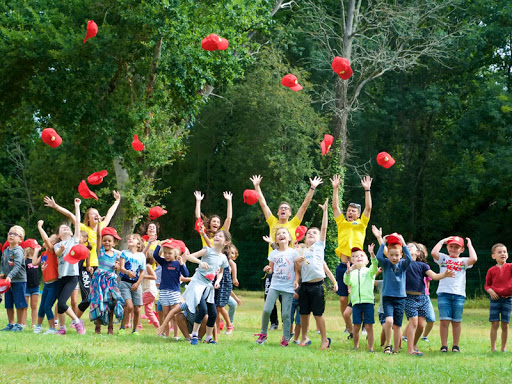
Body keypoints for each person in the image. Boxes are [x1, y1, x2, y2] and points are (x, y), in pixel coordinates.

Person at [250, 174, 322, 330]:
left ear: (290, 213)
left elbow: (304, 205)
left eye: (286, 209)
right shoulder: (272, 221)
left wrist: (312, 188)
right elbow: (263, 203)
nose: (283, 209)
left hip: (288, 267)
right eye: (281, 208)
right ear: (277, 212)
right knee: (269, 296)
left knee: (285, 298)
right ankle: (273, 323)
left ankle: (286, 324)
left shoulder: (294, 223)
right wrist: (257, 186)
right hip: (274, 265)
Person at [43, 191, 121, 319]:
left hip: (97, 267)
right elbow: (70, 215)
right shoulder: (83, 228)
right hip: (84, 266)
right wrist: (55, 206)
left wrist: (117, 201)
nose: (96, 215)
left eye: (97, 213)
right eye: (93, 213)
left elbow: (110, 214)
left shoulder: (101, 228)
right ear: (88, 218)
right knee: (86, 298)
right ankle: (76, 321)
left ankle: (82, 321)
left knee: (94, 297)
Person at [157, 229, 230, 345]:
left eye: (220, 236)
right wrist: (200, 262)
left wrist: (218, 281)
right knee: (203, 309)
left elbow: (221, 272)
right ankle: (194, 336)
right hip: (197, 284)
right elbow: (189, 256)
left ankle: (208, 338)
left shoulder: (223, 258)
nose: (216, 237)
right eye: (216, 235)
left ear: (226, 242)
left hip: (208, 287)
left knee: (214, 314)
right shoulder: (207, 250)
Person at [331, 174, 373, 337]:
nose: (349, 212)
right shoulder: (342, 222)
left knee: (358, 298)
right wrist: (335, 188)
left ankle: (361, 325)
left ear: (358, 214)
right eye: (348, 210)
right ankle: (349, 328)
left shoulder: (362, 223)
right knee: (343, 299)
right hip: (343, 267)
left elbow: (368, 208)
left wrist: (367, 190)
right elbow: (335, 208)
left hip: (358, 268)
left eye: (353, 211)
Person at [294, 199, 338, 349]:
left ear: (319, 238)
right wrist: (297, 260)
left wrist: (325, 211)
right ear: (305, 238)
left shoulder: (319, 246)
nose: (311, 234)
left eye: (314, 233)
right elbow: (297, 269)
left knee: (318, 314)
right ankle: (304, 338)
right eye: (309, 233)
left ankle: (324, 340)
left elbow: (324, 228)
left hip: (318, 286)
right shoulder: (302, 251)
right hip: (305, 286)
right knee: (304, 314)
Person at [403, 242, 454, 356]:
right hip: (409, 298)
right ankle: (410, 349)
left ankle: (414, 344)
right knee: (413, 323)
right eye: (406, 246)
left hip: (422, 298)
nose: (408, 247)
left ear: (417, 252)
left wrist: (444, 275)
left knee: (421, 325)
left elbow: (434, 276)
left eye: (412, 246)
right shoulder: (403, 263)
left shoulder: (423, 265)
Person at [431, 236, 477, 352]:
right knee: (444, 321)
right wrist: (442, 241)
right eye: (451, 246)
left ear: (462, 249)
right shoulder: (443, 258)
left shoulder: (463, 261)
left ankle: (456, 346)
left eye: (457, 247)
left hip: (459, 295)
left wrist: (469, 245)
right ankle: (444, 345)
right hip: (444, 293)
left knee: (456, 321)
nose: (453, 249)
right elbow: (433, 253)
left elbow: (474, 259)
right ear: (447, 247)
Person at [255, 227, 299, 346]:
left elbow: (297, 270)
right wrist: (268, 269)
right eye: (278, 234)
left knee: (286, 314)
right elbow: (271, 270)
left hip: (288, 287)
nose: (281, 235)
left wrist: (296, 281)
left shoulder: (294, 253)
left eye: (284, 233)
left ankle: (285, 338)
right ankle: (263, 334)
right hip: (274, 285)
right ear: (276, 240)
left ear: (289, 238)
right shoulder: (273, 253)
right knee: (266, 310)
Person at [53, 198, 86, 335]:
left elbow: (77, 223)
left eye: (67, 227)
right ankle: (62, 328)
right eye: (62, 228)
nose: (66, 227)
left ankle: (77, 322)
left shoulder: (74, 240)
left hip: (72, 277)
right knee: (59, 305)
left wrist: (77, 206)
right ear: (59, 235)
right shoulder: (57, 244)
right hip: (61, 277)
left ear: (72, 233)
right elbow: (57, 253)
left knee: (61, 303)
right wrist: (61, 249)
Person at [376, 233, 412, 354]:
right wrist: (382, 243)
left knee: (397, 326)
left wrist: (403, 243)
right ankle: (388, 345)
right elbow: (379, 257)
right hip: (388, 298)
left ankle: (396, 349)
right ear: (388, 255)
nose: (394, 257)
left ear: (401, 255)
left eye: (397, 255)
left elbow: (410, 259)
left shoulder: (403, 264)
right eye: (391, 255)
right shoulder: (386, 264)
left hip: (400, 298)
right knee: (389, 321)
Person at [89, 226, 124, 335]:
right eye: (104, 241)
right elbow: (99, 236)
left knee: (112, 302)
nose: (106, 242)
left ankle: (110, 327)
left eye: (109, 241)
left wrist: (117, 266)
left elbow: (119, 266)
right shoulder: (101, 252)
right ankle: (98, 327)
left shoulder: (116, 255)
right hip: (100, 281)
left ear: (114, 243)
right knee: (99, 303)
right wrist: (99, 223)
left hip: (111, 281)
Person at [151, 239, 189, 338]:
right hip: (163, 292)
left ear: (175, 253)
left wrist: (181, 264)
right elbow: (155, 255)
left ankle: (176, 335)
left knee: (175, 315)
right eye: (165, 253)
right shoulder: (163, 262)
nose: (167, 255)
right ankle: (166, 335)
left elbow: (186, 274)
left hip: (174, 292)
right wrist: (159, 245)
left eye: (170, 253)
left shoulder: (178, 264)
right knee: (165, 315)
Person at [344, 244, 378, 351]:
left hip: (368, 302)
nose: (359, 257)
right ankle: (355, 346)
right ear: (352, 260)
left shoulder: (369, 271)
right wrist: (348, 272)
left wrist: (372, 253)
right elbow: (346, 281)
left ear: (367, 261)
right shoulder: (351, 273)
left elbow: (375, 265)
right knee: (356, 326)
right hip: (356, 303)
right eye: (356, 256)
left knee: (368, 326)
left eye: (362, 256)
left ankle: (371, 348)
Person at [484, 243, 512, 352]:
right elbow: (487, 285)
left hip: (508, 299)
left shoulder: (510, 267)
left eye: (504, 252)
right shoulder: (491, 270)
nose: (502, 254)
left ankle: (503, 348)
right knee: (495, 323)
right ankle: (493, 348)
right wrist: (490, 290)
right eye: (499, 252)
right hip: (495, 300)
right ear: (493, 256)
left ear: (507, 255)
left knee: (505, 324)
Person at [32, 220, 59, 334]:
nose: (45, 241)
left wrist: (39, 226)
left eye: (49, 241)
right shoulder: (44, 254)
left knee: (48, 306)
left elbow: (45, 240)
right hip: (47, 284)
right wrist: (37, 251)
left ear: (52, 243)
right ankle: (38, 326)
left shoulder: (52, 251)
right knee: (42, 306)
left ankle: (52, 328)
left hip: (54, 284)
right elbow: (34, 263)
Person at [0, 225, 27, 331]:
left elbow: (18, 265)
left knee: (19, 303)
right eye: (10, 233)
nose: (11, 235)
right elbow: (2, 264)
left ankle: (19, 325)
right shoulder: (5, 251)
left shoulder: (18, 251)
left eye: (15, 234)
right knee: (8, 303)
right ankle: (11, 324)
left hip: (19, 281)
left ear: (20, 239)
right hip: (8, 282)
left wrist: (10, 276)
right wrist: (2, 273)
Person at [118, 233, 146, 335]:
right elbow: (121, 267)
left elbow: (142, 271)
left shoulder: (141, 256)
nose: (130, 239)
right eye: (129, 238)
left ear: (138, 244)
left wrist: (138, 283)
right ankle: (122, 328)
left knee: (137, 309)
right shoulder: (124, 253)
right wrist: (127, 272)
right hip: (125, 282)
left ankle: (135, 330)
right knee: (129, 306)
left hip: (136, 284)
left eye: (133, 238)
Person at [214, 244, 237, 339]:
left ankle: (229, 325)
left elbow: (233, 266)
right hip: (217, 283)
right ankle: (217, 329)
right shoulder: (217, 257)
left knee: (220, 307)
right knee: (216, 308)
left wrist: (234, 278)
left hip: (225, 285)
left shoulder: (227, 261)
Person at [22, 240, 41, 328]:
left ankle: (34, 324)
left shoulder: (37, 260)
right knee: (24, 306)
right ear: (29, 249)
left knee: (34, 305)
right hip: (26, 286)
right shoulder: (23, 261)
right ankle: (23, 323)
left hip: (35, 286)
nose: (36, 249)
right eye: (34, 248)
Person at [142, 254, 160, 329]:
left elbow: (154, 277)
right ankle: (158, 326)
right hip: (150, 291)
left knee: (137, 304)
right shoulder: (144, 266)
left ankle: (134, 325)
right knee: (148, 311)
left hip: (149, 291)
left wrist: (144, 276)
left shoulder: (147, 266)